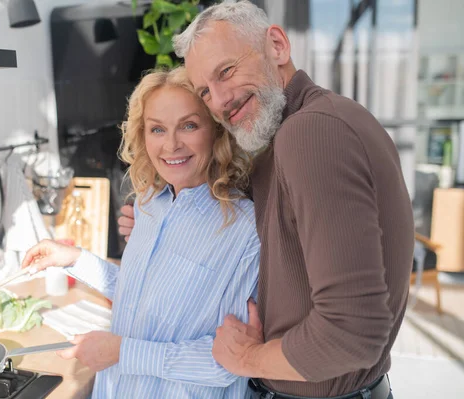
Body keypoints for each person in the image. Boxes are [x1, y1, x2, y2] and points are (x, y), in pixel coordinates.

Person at [118, 1, 414, 398]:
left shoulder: (309, 133)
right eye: (205, 91)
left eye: (226, 71)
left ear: (277, 45)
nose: (221, 100)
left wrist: (247, 359)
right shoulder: (318, 124)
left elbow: (353, 333)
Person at [22, 66, 260, 399]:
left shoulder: (244, 229)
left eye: (188, 126)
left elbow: (232, 362)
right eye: (157, 129)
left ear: (216, 131)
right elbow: (141, 299)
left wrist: (121, 352)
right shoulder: (149, 204)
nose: (171, 144)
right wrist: (73, 259)